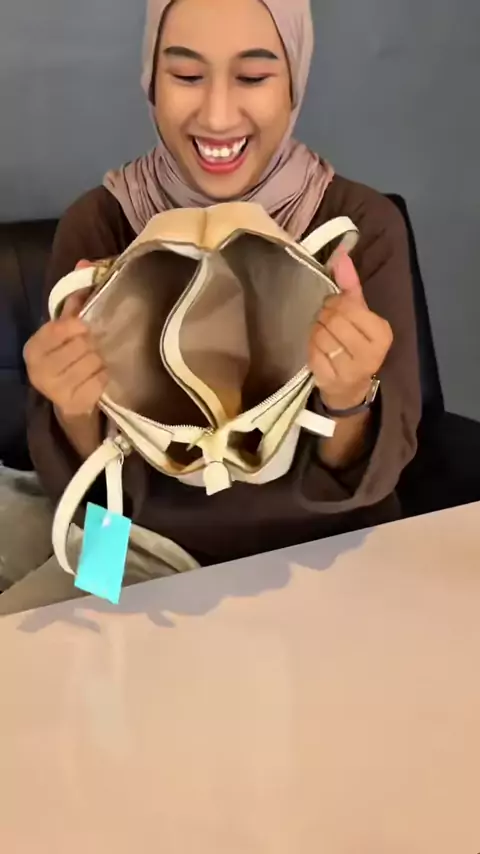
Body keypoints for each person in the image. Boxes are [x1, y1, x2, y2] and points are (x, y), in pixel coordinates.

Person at [0, 0, 420, 615]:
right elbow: (89, 493)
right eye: (187, 75)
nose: (218, 115)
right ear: (151, 80)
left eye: (253, 76)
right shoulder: (100, 222)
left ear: (295, 80)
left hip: (320, 549)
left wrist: (349, 396)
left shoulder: (358, 228)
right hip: (132, 538)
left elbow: (371, 480)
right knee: (36, 652)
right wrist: (72, 404)